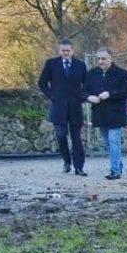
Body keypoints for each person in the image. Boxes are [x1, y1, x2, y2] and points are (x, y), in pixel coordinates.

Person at [37, 38, 89, 175]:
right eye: (63, 50)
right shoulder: (51, 64)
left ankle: (79, 167)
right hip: (58, 107)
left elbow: (87, 85)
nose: (66, 53)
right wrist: (51, 95)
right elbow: (42, 82)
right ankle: (67, 161)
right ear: (59, 51)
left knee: (76, 138)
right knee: (60, 135)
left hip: (75, 107)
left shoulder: (80, 65)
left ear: (72, 51)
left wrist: (84, 97)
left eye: (68, 50)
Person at [84, 47, 127, 180]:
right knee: (108, 142)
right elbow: (83, 91)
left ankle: (115, 171)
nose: (101, 61)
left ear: (111, 58)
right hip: (100, 114)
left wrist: (110, 94)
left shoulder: (121, 73)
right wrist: (89, 97)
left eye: (104, 58)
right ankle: (118, 164)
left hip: (116, 114)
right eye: (98, 59)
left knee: (113, 141)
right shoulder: (92, 74)